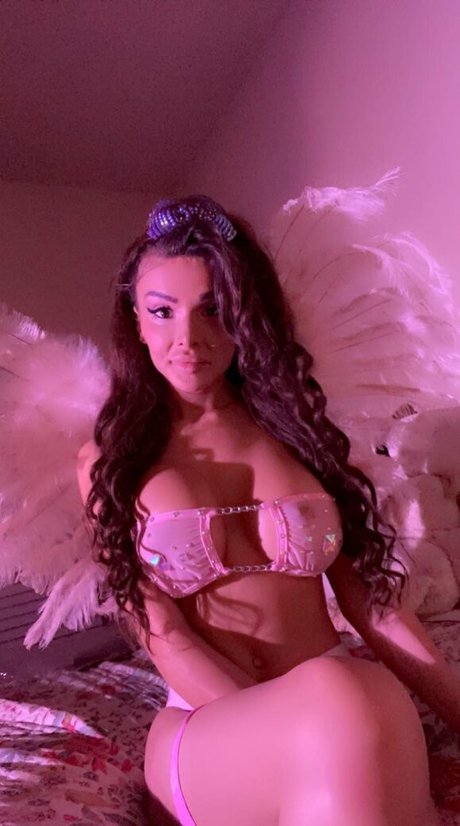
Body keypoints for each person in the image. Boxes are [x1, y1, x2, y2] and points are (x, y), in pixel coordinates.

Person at [77, 195, 457, 826]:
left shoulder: (298, 432)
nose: (187, 339)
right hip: (208, 725)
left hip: (338, 702)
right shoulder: (110, 460)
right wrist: (296, 718)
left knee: (364, 696)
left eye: (213, 310)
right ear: (135, 321)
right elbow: (163, 634)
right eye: (162, 311)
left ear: (244, 314)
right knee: (347, 701)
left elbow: (373, 608)